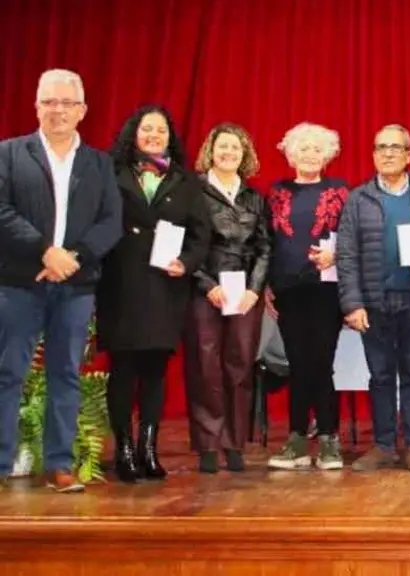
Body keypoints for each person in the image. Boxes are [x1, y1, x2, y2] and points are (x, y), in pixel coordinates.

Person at [0, 69, 122, 493]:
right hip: (18, 282)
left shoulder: (99, 163)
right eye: (49, 102)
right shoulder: (10, 154)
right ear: (36, 107)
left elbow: (111, 222)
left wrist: (73, 257)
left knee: (66, 373)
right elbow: (2, 211)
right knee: (7, 372)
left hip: (75, 284)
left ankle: (58, 464)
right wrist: (43, 250)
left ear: (82, 111)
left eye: (67, 103)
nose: (58, 110)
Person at [97, 104, 212, 483]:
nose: (153, 136)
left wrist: (187, 262)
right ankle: (124, 449)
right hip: (121, 283)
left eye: (160, 130)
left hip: (165, 286)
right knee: (123, 369)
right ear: (134, 133)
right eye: (146, 129)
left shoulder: (186, 181)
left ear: (169, 137)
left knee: (154, 371)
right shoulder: (109, 175)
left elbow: (201, 236)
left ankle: (149, 446)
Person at [337, 125, 410, 474]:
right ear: (373, 155)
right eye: (381, 147)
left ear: (409, 155)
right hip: (374, 303)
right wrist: (352, 304)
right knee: (380, 376)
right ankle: (382, 445)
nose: (388, 153)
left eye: (396, 147)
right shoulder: (358, 199)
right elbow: (346, 255)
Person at [186, 123, 272, 474]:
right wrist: (207, 285)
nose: (228, 153)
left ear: (244, 154)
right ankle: (208, 445)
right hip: (205, 290)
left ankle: (234, 444)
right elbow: (184, 247)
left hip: (244, 293)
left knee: (239, 367)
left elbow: (265, 248)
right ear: (211, 151)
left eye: (235, 148)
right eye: (222, 147)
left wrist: (255, 289)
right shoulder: (194, 193)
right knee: (206, 368)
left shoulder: (254, 198)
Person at [264, 123, 348, 471]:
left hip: (326, 289)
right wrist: (265, 284)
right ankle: (297, 439)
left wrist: (336, 254)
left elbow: (354, 236)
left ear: (327, 155)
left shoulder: (340, 191)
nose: (310, 154)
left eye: (317, 149)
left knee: (321, 363)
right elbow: (266, 242)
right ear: (291, 152)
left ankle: (329, 439)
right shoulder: (276, 192)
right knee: (296, 364)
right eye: (304, 148)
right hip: (287, 289)